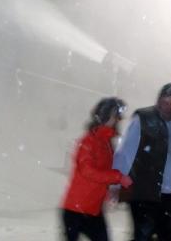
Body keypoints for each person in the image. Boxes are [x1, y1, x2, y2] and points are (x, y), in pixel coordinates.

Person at [113, 83, 171, 241]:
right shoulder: (144, 118)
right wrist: (116, 182)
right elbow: (125, 152)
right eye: (165, 103)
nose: (168, 108)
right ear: (158, 101)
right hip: (145, 195)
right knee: (143, 237)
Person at [61, 97, 134, 241]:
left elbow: (103, 173)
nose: (118, 120)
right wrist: (118, 177)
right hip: (75, 211)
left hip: (93, 210)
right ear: (105, 116)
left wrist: (111, 190)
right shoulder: (88, 141)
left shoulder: (106, 143)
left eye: (118, 117)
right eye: (115, 116)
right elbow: (88, 171)